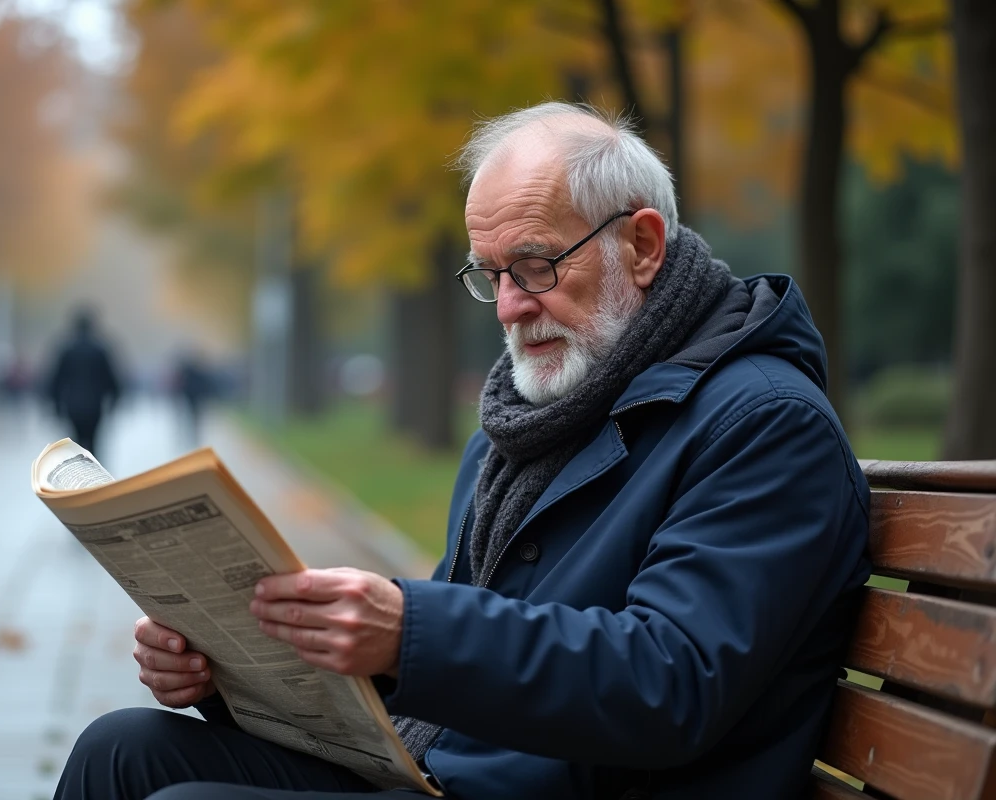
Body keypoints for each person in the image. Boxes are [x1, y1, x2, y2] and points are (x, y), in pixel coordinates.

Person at [55, 103, 870, 800]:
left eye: (536, 264)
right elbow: (453, 658)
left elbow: (672, 683)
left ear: (644, 246)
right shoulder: (533, 421)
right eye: (491, 274)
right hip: (458, 768)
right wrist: (232, 667)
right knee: (120, 750)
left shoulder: (764, 424)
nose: (511, 307)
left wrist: (411, 632)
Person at [47, 309, 122, 458]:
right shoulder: (100, 349)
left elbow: (56, 379)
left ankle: (80, 473)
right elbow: (111, 379)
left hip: (72, 405)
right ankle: (95, 475)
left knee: (75, 441)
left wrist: (56, 406)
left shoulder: (66, 349)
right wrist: (113, 402)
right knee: (94, 442)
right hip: (95, 405)